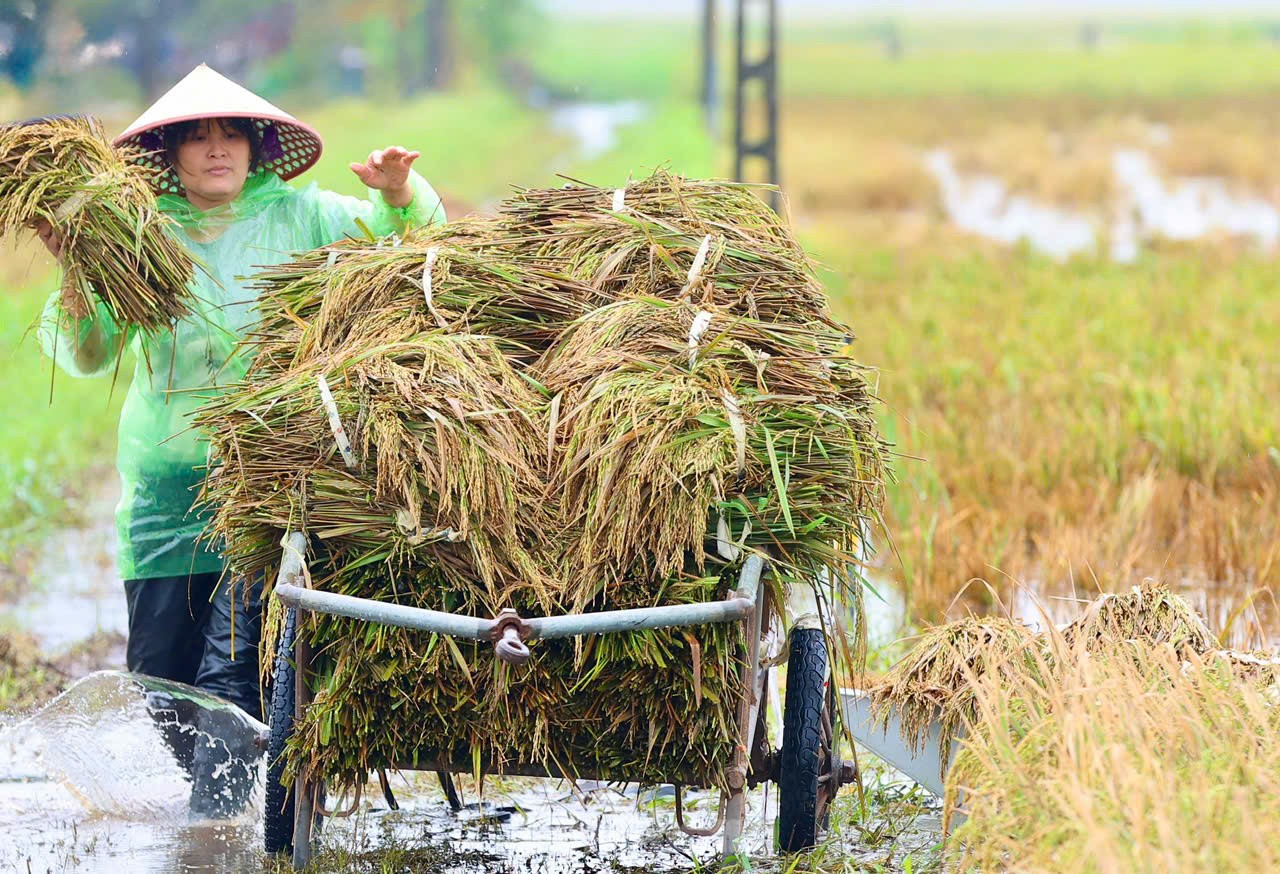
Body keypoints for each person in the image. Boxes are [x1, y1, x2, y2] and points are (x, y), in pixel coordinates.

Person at [34, 65, 445, 813]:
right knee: (159, 681)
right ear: (170, 154)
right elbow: (89, 352)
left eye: (231, 134)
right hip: (162, 497)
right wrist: (72, 262)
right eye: (198, 137)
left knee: (230, 669)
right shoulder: (140, 239)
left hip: (262, 484)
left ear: (258, 148)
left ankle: (214, 831)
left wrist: (395, 192)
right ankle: (240, 790)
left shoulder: (306, 219)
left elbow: (410, 246)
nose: (216, 149)